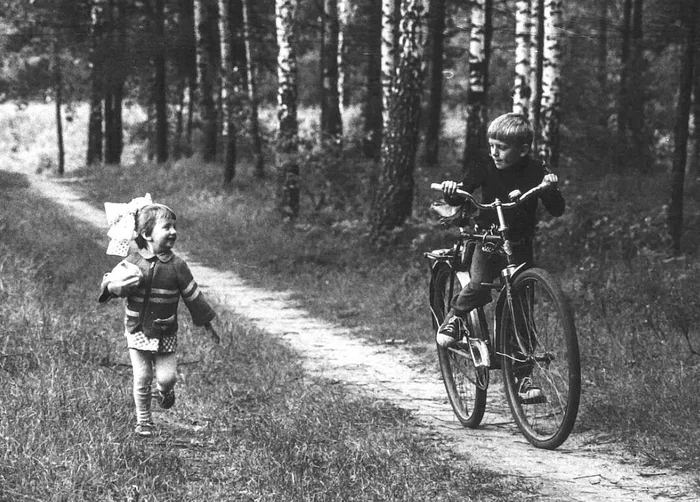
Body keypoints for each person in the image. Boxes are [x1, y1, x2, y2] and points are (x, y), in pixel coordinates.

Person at [435, 113, 565, 402]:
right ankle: (455, 319)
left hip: (518, 246)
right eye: (492, 145)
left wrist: (550, 187)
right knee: (480, 284)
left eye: (502, 147)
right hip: (488, 240)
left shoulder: (534, 169)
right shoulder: (485, 165)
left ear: (523, 149)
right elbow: (463, 193)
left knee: (521, 310)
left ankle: (522, 377)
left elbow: (556, 208)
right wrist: (452, 191)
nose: (495, 152)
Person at [99, 202, 220, 437]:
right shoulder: (133, 262)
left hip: (165, 331)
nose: (173, 232)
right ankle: (144, 421)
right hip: (136, 330)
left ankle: (165, 391)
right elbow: (109, 282)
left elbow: (193, 295)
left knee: (167, 378)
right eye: (167, 227)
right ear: (147, 234)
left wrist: (207, 322)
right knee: (142, 377)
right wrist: (114, 287)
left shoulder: (177, 266)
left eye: (174, 227)